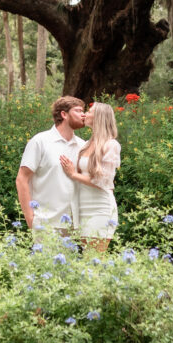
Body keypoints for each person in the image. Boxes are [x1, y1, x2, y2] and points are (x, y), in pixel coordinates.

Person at [16, 96, 85, 231]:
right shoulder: (40, 141)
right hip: (46, 224)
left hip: (76, 226)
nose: (83, 115)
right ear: (64, 114)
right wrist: (31, 219)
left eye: (83, 111)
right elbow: (21, 179)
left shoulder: (83, 146)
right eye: (78, 111)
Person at [60, 102, 120, 250]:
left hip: (101, 208)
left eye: (90, 111)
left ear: (99, 117)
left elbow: (102, 181)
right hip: (83, 207)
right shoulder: (86, 144)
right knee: (87, 258)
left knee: (94, 260)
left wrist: (73, 174)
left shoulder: (111, 145)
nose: (85, 114)